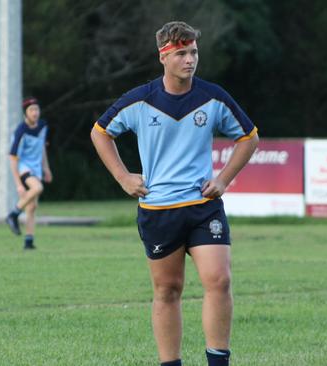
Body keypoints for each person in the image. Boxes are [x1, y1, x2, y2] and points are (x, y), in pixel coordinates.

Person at [90, 21, 258, 366]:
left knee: (220, 279)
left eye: (194, 52)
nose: (190, 59)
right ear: (163, 57)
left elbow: (249, 137)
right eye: (181, 53)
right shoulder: (140, 100)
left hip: (203, 207)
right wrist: (123, 177)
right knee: (167, 291)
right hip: (158, 211)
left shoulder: (213, 97)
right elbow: (100, 132)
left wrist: (223, 180)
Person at [5, 97, 53, 250]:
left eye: (37, 109)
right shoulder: (21, 131)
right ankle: (13, 214)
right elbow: (12, 158)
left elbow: (42, 148)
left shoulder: (43, 126)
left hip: (37, 168)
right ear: (25, 113)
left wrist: (46, 168)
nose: (35, 113)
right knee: (37, 188)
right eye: (31, 110)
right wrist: (18, 184)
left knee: (32, 207)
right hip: (24, 168)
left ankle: (28, 242)